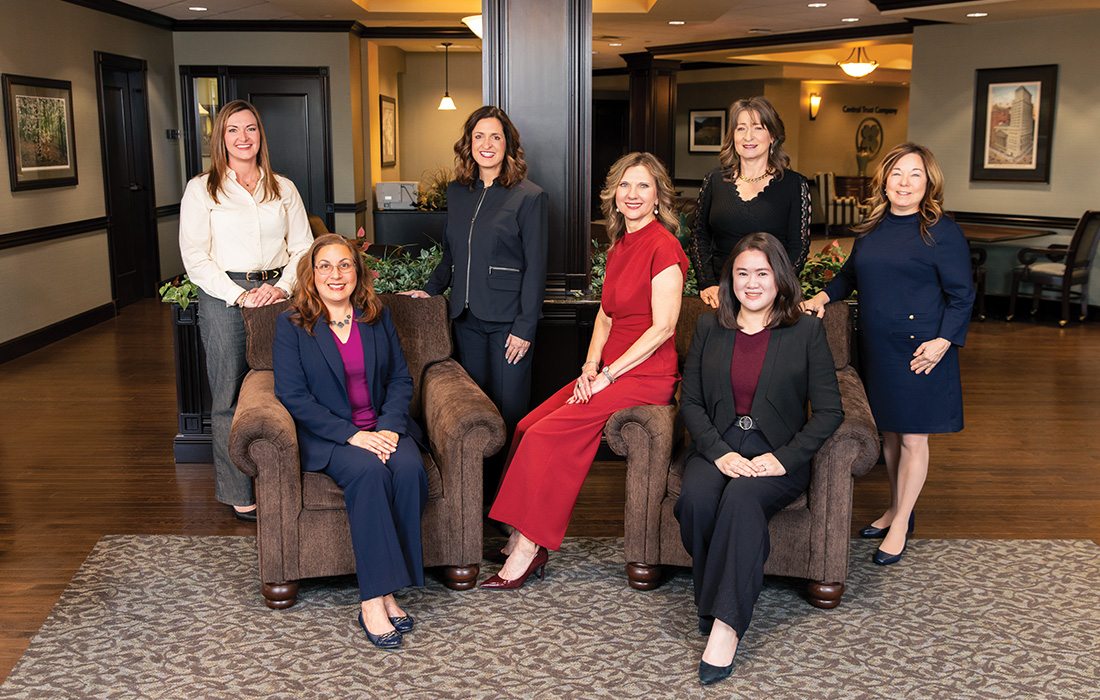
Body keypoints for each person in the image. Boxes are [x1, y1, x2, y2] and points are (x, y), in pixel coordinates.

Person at [481, 152, 688, 590]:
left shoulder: (664, 245)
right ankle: (519, 529)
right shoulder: (619, 245)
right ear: (613, 195)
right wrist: (590, 366)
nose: (632, 195)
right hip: (609, 367)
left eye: (643, 186)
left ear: (657, 197)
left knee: (546, 436)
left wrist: (609, 376)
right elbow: (606, 317)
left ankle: (530, 546)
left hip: (645, 374)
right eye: (625, 186)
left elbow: (664, 326)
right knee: (527, 425)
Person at [676, 232, 843, 686]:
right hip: (718, 448)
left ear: (780, 279)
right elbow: (689, 400)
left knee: (742, 502)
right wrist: (720, 452)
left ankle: (726, 625)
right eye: (742, 273)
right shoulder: (710, 326)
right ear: (730, 280)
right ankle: (713, 597)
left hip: (777, 458)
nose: (752, 284)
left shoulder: (806, 331)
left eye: (762, 273)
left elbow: (830, 410)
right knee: (695, 501)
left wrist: (784, 459)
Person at [802, 142, 974, 566]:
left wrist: (943, 342)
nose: (904, 182)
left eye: (915, 174)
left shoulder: (941, 231)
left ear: (928, 182)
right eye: (897, 173)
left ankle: (900, 525)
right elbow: (848, 277)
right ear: (884, 181)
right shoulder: (872, 228)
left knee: (914, 435)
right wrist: (821, 297)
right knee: (892, 433)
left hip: (923, 349)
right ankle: (896, 508)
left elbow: (962, 295)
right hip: (879, 348)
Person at [273, 234, 427, 650]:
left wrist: (391, 427)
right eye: (325, 266)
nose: (335, 274)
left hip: (382, 425)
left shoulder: (375, 316)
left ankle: (390, 587)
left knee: (411, 468)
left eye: (345, 265)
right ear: (312, 274)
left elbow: (399, 378)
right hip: (334, 437)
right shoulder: (292, 325)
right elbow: (293, 396)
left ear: (357, 272)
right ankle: (371, 601)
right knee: (369, 473)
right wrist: (353, 435)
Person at [179, 99, 312, 521]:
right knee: (228, 396)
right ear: (221, 137)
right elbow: (195, 258)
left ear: (260, 136)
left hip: (278, 296)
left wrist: (280, 288)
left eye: (250, 129)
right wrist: (240, 295)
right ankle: (238, 491)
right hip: (224, 297)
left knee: (287, 388)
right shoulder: (202, 189)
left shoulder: (283, 187)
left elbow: (304, 248)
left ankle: (288, 478)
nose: (243, 137)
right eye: (233, 130)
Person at [401, 105, 548, 435]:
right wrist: (430, 289)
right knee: (473, 412)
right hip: (466, 320)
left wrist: (524, 328)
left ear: (507, 143)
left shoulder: (529, 196)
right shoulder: (457, 192)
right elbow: (450, 255)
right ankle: (477, 487)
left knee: (509, 411)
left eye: (495, 136)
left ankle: (510, 486)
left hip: (509, 324)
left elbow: (536, 267)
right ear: (468, 143)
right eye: (479, 136)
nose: (487, 144)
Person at [689, 96, 811, 310]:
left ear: (772, 135)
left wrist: (773, 287)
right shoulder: (714, 180)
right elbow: (700, 235)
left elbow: (798, 247)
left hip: (770, 297)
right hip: (720, 295)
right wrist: (707, 283)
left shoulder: (794, 184)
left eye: (757, 128)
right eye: (741, 128)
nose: (748, 137)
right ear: (733, 136)